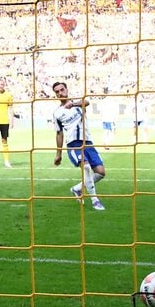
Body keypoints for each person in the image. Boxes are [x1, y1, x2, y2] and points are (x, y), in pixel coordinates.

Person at [52, 82, 106, 211]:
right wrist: (58, 154)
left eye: (62, 89)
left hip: (87, 142)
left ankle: (77, 189)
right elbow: (59, 133)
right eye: (57, 92)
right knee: (86, 167)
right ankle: (95, 200)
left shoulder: (78, 105)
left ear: (66, 89)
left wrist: (73, 104)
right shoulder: (57, 113)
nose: (60, 93)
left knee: (101, 173)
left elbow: (86, 102)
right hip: (73, 144)